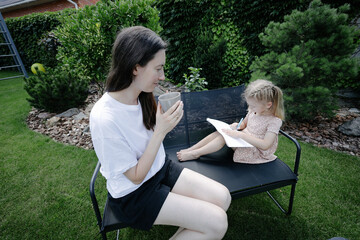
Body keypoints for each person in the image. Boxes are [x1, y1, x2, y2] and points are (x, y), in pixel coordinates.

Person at [90, 26, 231, 240]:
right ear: (136, 67)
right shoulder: (105, 118)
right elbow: (135, 177)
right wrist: (160, 133)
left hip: (160, 169)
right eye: (158, 69)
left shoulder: (143, 95)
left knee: (223, 198)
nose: (163, 76)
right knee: (217, 223)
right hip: (134, 195)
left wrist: (164, 124)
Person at [177, 79, 285, 164]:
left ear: (268, 105)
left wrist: (241, 135)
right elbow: (244, 124)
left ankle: (195, 154)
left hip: (256, 152)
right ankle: (191, 149)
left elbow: (265, 145)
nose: (250, 108)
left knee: (222, 137)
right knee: (220, 132)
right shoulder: (255, 111)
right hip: (245, 140)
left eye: (253, 105)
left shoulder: (274, 121)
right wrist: (237, 125)